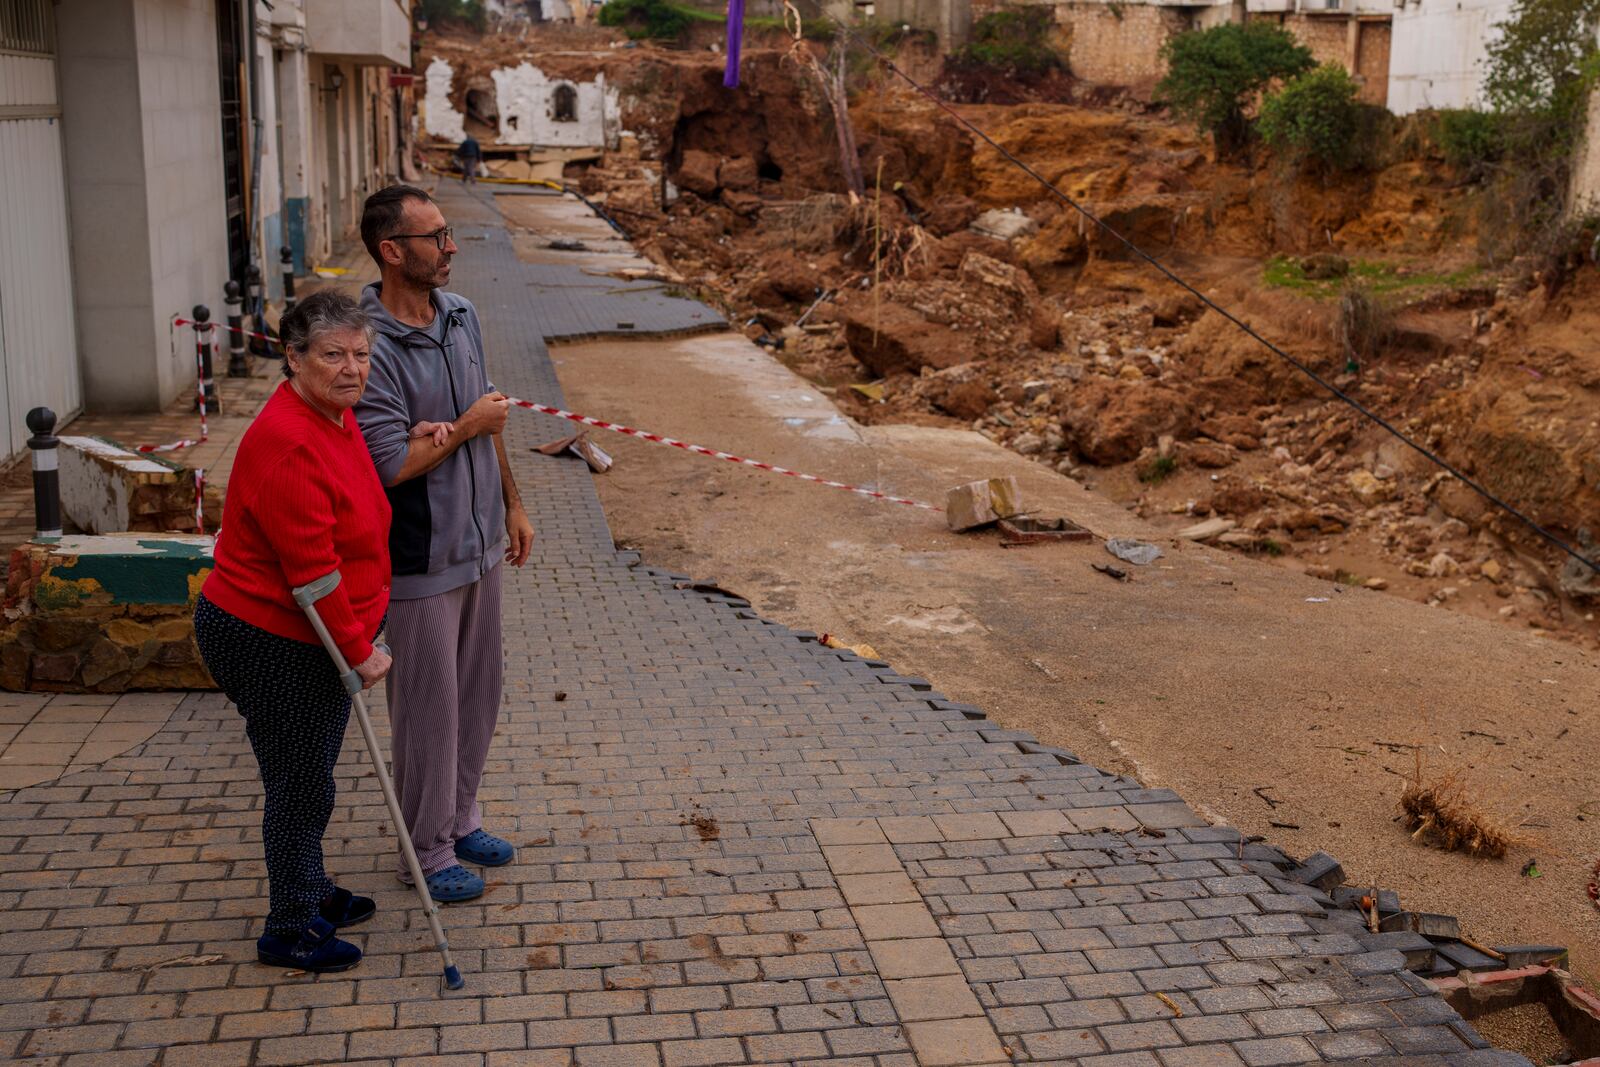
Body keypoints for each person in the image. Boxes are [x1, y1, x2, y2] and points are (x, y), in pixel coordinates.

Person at [193, 290, 394, 973]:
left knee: (309, 773)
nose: (351, 368)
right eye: (333, 354)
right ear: (293, 357)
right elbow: (313, 577)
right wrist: (361, 652)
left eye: (361, 354)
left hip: (309, 635)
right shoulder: (289, 441)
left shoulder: (335, 416)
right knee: (300, 784)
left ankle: (309, 886)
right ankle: (289, 926)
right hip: (274, 637)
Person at [354, 184, 535, 903]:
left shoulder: (460, 315)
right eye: (434, 237)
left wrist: (513, 504)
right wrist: (460, 427)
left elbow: (488, 422)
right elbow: (391, 462)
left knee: (477, 696)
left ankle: (461, 820)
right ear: (393, 251)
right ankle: (423, 851)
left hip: (482, 543)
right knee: (427, 709)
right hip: (419, 560)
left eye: (449, 232)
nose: (451, 246)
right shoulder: (370, 346)